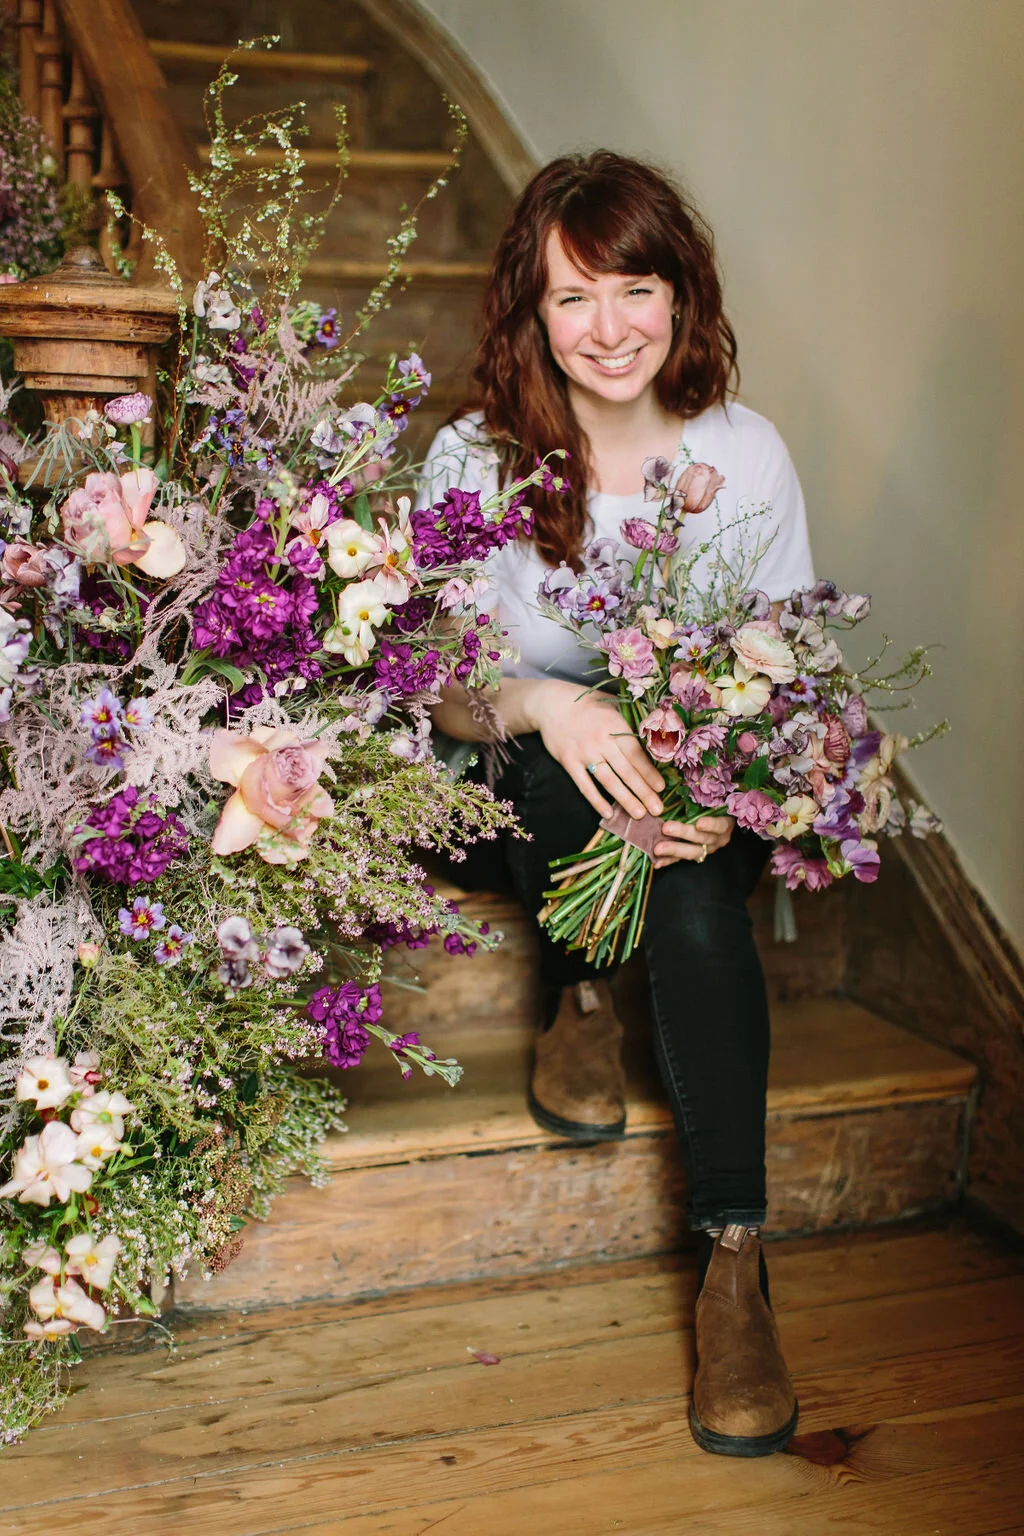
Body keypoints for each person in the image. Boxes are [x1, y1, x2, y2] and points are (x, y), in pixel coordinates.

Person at [416, 151, 814, 1458]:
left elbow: (786, 664)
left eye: (634, 288)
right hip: (538, 780)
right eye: (572, 297)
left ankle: (736, 1266)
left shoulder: (743, 455)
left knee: (698, 888)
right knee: (551, 753)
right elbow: (440, 689)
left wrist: (732, 777)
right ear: (530, 314)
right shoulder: (474, 462)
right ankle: (583, 992)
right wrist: (547, 703)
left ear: (680, 293)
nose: (608, 329)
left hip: (701, 786)